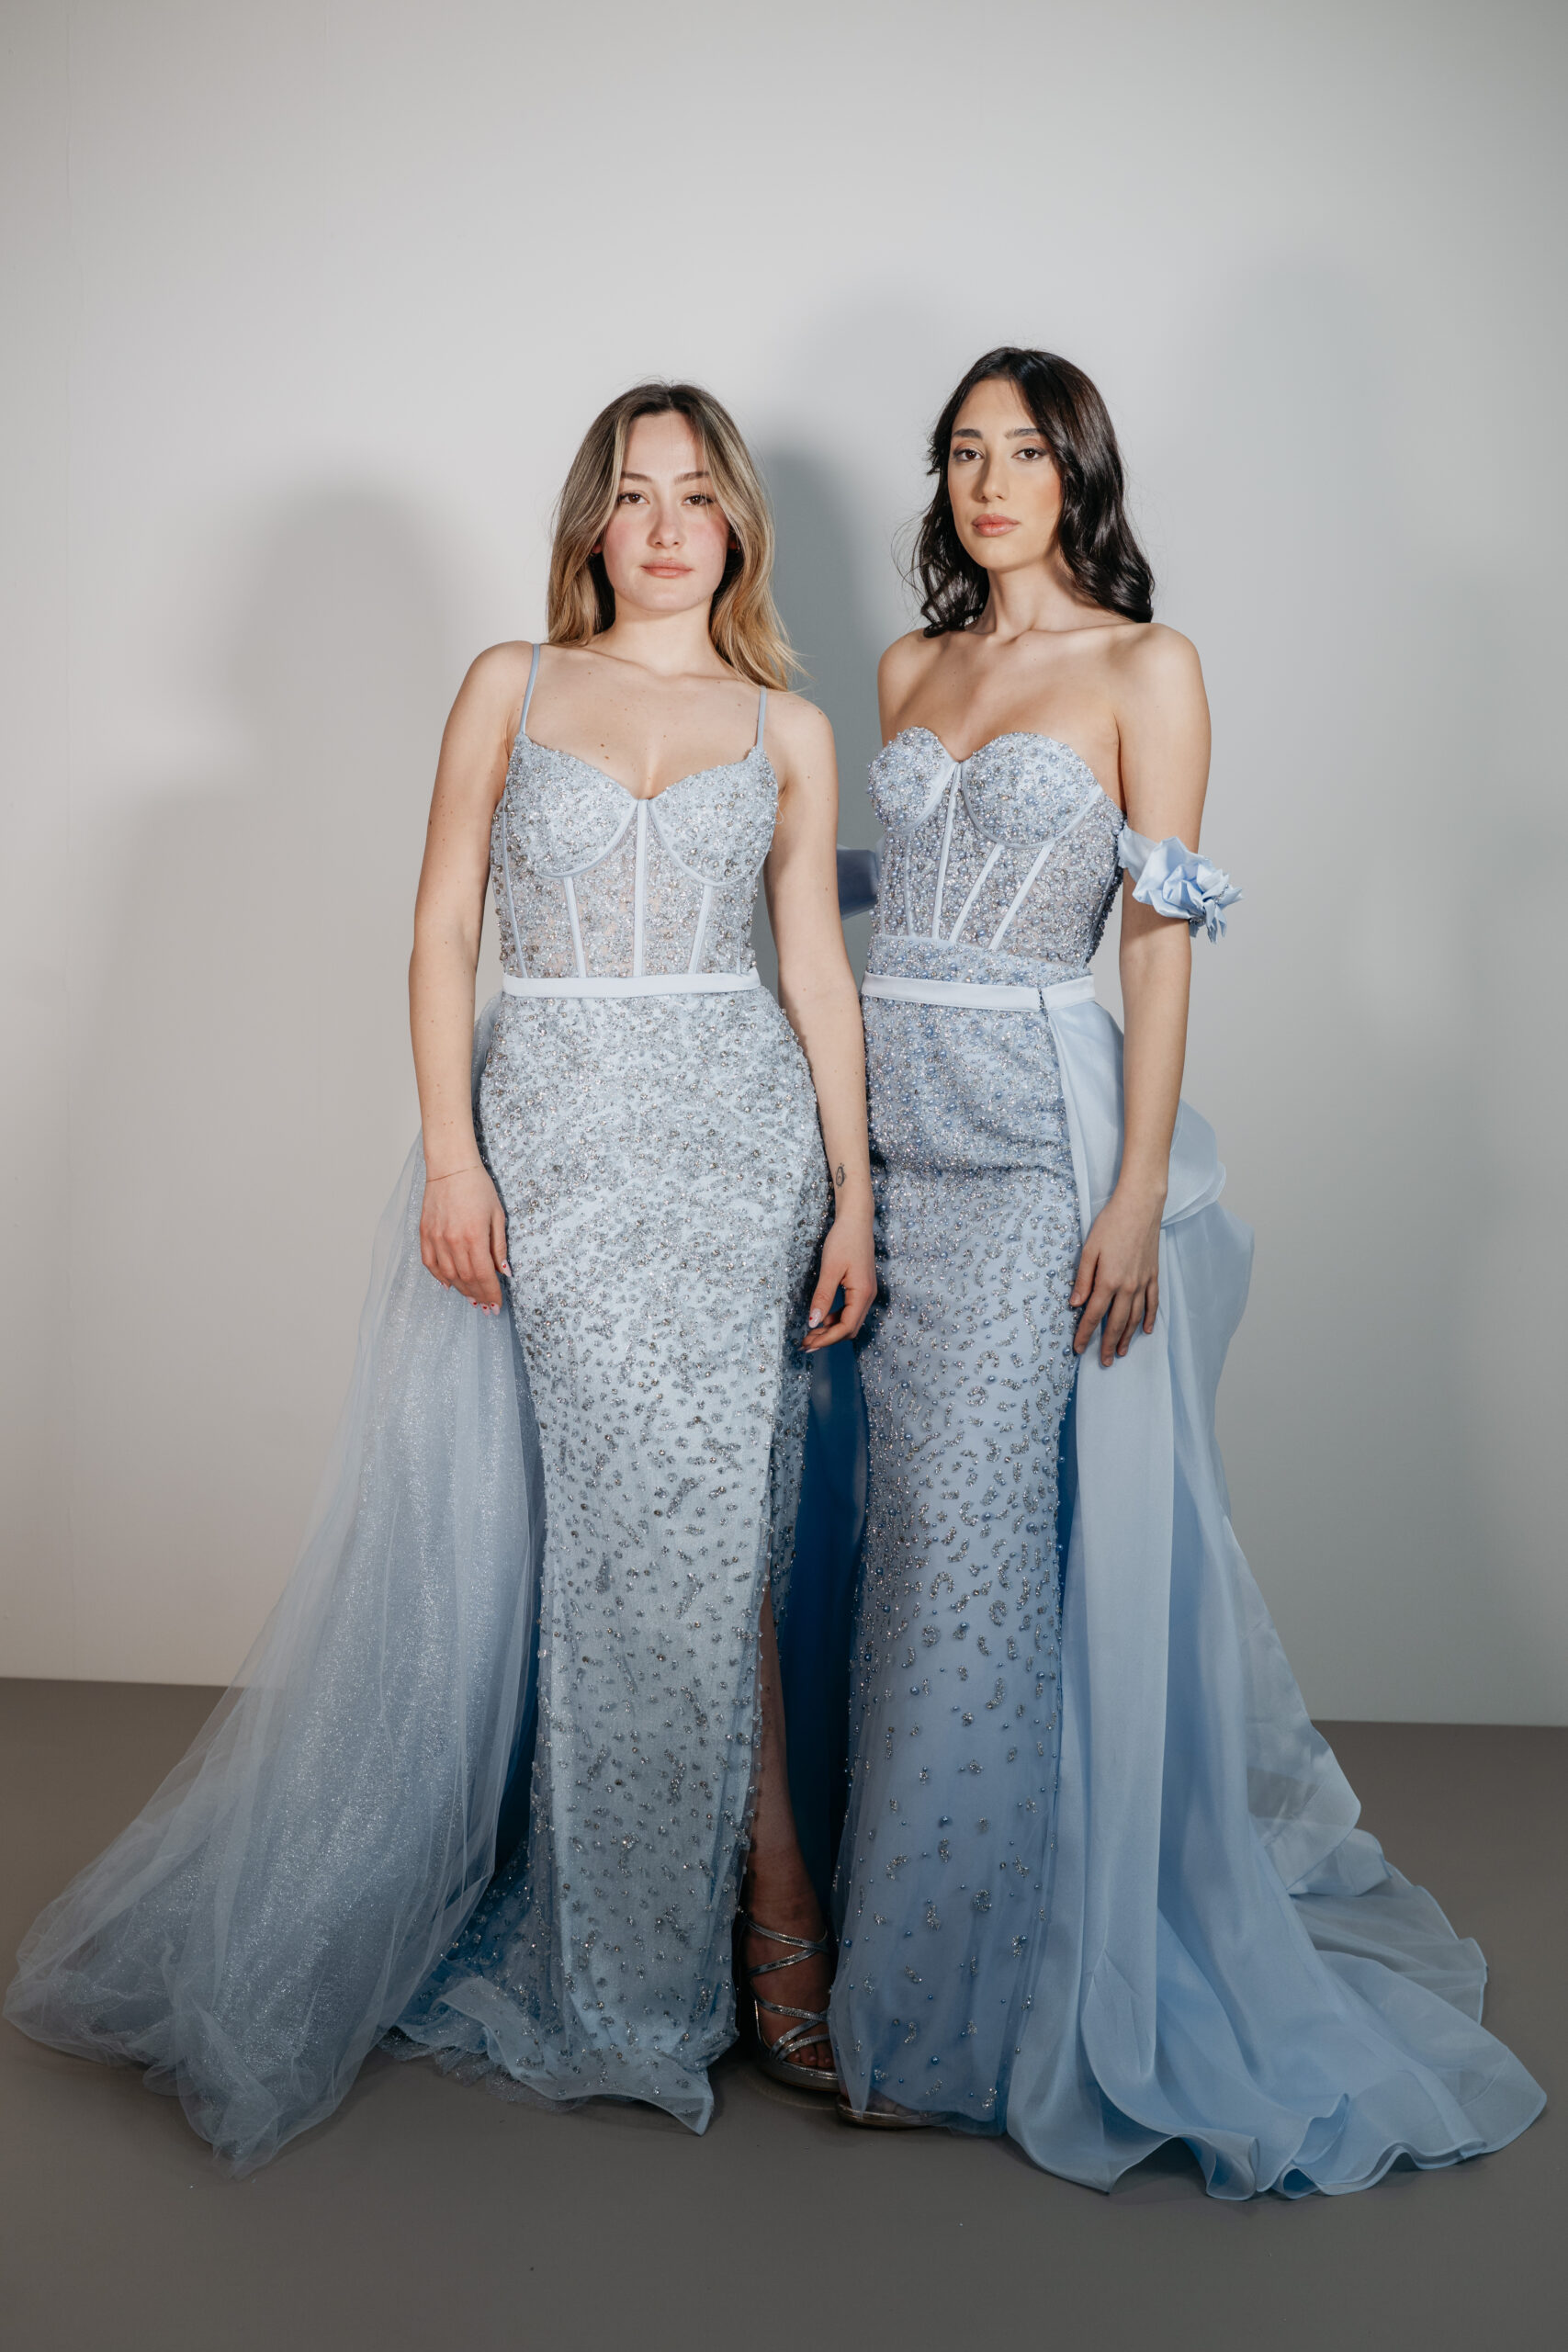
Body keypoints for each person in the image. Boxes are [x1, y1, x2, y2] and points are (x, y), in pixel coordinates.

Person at [6, 381, 874, 2167]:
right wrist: (454, 1151)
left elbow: (812, 967)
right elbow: (439, 927)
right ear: (589, 519)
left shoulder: (787, 725)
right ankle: (695, 1939)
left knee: (715, 1522)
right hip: (551, 1128)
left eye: (694, 495)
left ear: (735, 525)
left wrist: (853, 1192)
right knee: (638, 1529)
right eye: (631, 493)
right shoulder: (512, 683)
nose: (662, 526)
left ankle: (756, 1898)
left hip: (736, 1141)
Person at [829, 345, 1545, 2195]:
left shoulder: (1149, 667)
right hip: (882, 1136)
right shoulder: (909, 667)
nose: (991, 482)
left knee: (971, 1560)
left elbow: (1155, 944)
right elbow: (883, 907)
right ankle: (907, 1948)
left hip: (1031, 1144)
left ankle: (953, 2010)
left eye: (1024, 451)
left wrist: (1136, 1185)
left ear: (1078, 473)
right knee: (890, 1542)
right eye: (963, 452)